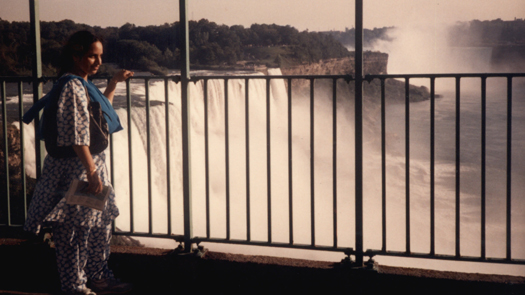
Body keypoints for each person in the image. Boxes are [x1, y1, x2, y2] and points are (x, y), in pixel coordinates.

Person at [22, 30, 134, 295]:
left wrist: (114, 82)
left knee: (97, 227)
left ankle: (97, 277)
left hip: (87, 167)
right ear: (76, 55)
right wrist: (91, 172)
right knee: (74, 233)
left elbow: (98, 116)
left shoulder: (82, 83)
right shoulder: (72, 86)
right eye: (91, 56)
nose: (97, 61)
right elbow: (76, 134)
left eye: (99, 56)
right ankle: (75, 286)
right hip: (78, 170)